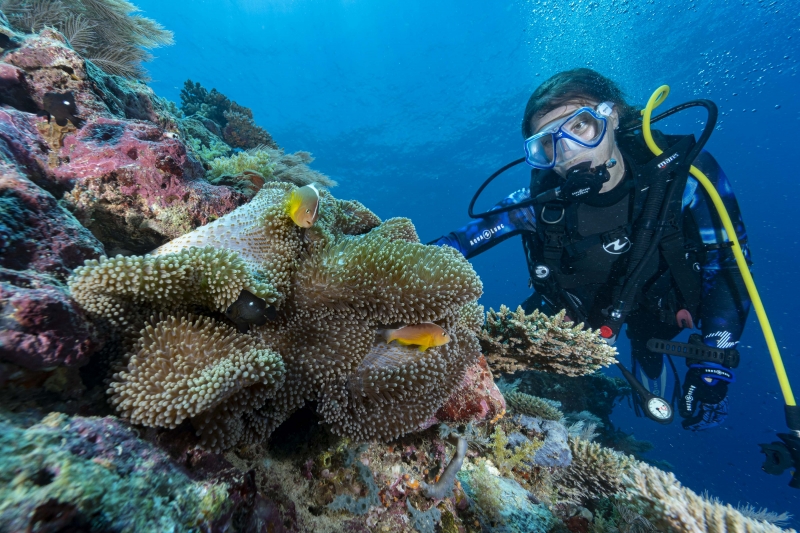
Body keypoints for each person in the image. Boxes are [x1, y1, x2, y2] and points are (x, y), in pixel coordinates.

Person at [431, 68, 752, 431]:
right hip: (571, 316)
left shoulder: (689, 176)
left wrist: (716, 354)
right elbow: (457, 243)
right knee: (495, 360)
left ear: (611, 116)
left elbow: (728, 264)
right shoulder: (535, 205)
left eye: (580, 125)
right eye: (549, 143)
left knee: (653, 349)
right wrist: (393, 265)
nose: (567, 149)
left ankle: (649, 355)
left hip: (663, 310)